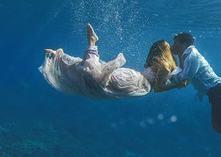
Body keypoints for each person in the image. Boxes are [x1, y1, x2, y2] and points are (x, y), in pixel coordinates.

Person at [39, 23, 184, 100]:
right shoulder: (164, 65)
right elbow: (160, 86)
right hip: (133, 79)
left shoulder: (164, 67)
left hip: (135, 81)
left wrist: (177, 84)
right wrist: (177, 84)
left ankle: (64, 57)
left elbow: (158, 88)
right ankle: (69, 53)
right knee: (92, 76)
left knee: (91, 79)